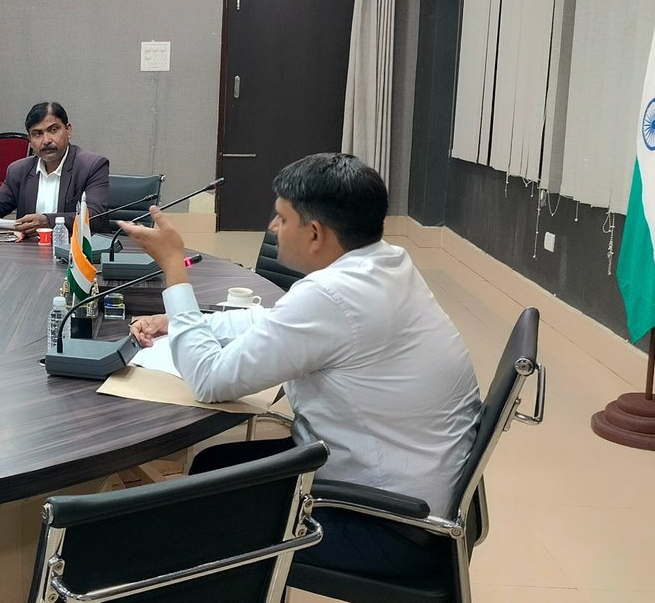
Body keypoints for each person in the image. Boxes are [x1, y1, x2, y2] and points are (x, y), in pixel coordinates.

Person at [117, 152, 481, 577]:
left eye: (282, 218)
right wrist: (185, 319)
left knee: (195, 509)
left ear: (314, 233)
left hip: (386, 523)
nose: (273, 228)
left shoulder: (331, 295)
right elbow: (274, 321)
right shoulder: (385, 263)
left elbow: (209, 379)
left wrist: (174, 271)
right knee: (211, 466)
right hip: (409, 488)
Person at [0, 102, 111, 235]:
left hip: (77, 251)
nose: (46, 140)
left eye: (53, 130)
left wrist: (48, 221)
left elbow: (95, 217)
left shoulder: (92, 165)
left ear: (68, 130)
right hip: (29, 251)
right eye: (37, 134)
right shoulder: (19, 170)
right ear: (30, 140)